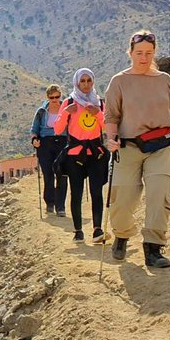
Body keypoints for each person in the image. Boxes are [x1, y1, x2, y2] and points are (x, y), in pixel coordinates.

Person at [103, 30, 170, 268]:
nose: (144, 58)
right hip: (128, 147)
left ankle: (153, 248)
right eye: (139, 53)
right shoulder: (119, 81)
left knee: (160, 193)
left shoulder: (164, 80)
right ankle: (122, 234)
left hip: (161, 146)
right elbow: (111, 116)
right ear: (130, 52)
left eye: (149, 53)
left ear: (154, 53)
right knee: (121, 198)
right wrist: (110, 139)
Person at [54, 68, 109, 243]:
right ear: (77, 83)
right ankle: (78, 231)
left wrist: (98, 113)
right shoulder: (69, 102)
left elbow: (107, 127)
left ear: (93, 81)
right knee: (76, 193)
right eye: (82, 81)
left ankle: (97, 229)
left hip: (95, 154)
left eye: (89, 81)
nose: (86, 84)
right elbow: (57, 129)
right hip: (75, 155)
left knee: (96, 192)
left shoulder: (99, 103)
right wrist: (66, 113)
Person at [30, 84, 68, 216]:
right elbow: (34, 129)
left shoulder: (66, 110)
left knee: (62, 175)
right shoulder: (41, 112)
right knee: (48, 175)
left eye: (57, 97)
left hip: (62, 142)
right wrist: (34, 140)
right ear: (47, 97)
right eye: (52, 97)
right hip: (45, 144)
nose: (55, 100)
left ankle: (61, 206)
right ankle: (50, 203)